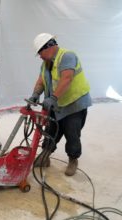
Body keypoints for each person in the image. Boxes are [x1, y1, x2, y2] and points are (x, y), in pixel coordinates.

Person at [30, 33, 92, 176]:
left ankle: (73, 159)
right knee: (50, 130)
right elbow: (41, 80)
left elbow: (67, 78)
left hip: (74, 103)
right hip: (56, 104)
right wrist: (35, 94)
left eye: (40, 52)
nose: (40, 56)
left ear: (49, 46)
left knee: (72, 134)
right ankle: (45, 155)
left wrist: (53, 98)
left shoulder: (67, 56)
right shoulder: (45, 63)